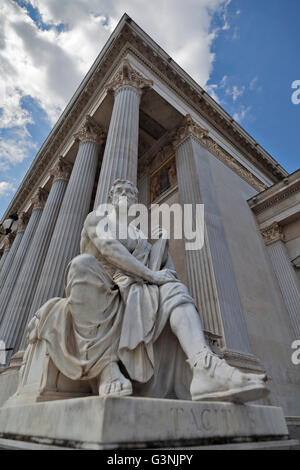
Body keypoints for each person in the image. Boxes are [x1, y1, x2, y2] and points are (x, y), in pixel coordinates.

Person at [28, 179, 268, 403]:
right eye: (120, 191)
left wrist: (161, 252)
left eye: (130, 192)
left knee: (175, 288)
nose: (125, 195)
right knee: (82, 264)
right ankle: (106, 367)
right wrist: (151, 274)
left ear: (136, 201)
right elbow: (109, 248)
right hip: (100, 286)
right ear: (111, 196)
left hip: (136, 288)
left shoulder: (141, 235)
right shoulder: (97, 218)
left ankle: (203, 365)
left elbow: (164, 270)